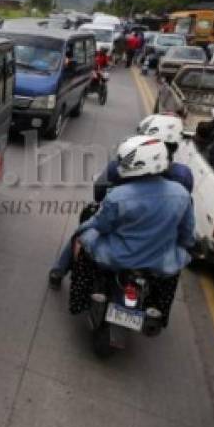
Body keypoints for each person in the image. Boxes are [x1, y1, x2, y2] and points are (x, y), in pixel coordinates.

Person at [48, 114, 193, 288]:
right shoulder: (182, 179)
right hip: (161, 249)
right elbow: (186, 224)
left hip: (119, 243)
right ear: (175, 146)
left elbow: (99, 196)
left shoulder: (122, 167)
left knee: (83, 230)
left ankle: (60, 271)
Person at [67, 135, 195, 315]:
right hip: (161, 262)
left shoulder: (118, 195)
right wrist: (186, 247)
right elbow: (187, 234)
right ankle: (159, 308)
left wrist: (83, 229)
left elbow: (102, 226)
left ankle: (79, 300)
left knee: (84, 248)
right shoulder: (181, 194)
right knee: (173, 275)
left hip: (117, 257)